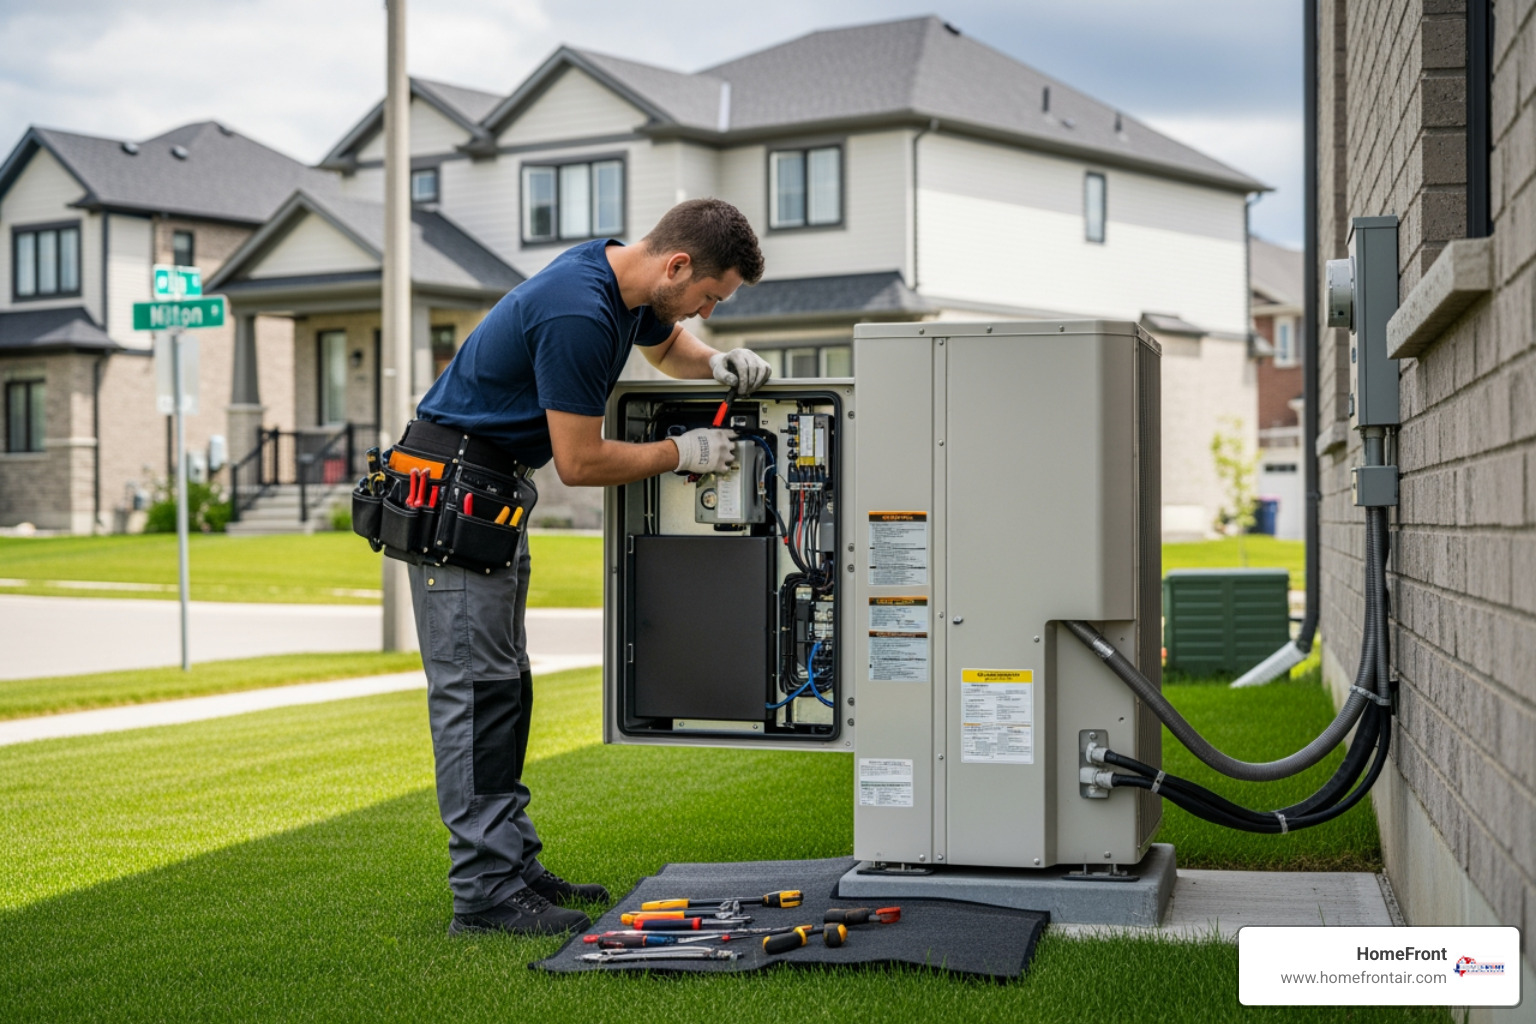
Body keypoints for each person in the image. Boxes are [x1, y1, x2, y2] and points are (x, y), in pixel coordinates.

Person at [397, 198, 771, 936]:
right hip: (457, 500)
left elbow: (668, 349)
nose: (705, 310)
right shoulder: (578, 311)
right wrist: (681, 452)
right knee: (476, 696)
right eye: (709, 297)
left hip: (491, 494)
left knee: (504, 689)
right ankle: (483, 894)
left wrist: (716, 363)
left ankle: (511, 865)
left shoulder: (623, 287)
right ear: (677, 266)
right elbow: (579, 461)